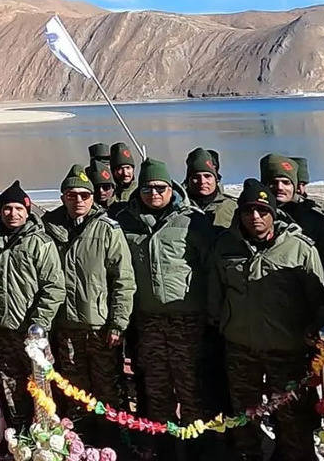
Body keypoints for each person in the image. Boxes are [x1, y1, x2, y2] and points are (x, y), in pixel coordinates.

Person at [208, 180, 324, 461]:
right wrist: (218, 326)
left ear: (273, 213)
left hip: (287, 349)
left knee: (292, 417)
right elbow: (216, 293)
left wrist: (314, 333)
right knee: (244, 414)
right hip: (241, 346)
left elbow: (318, 300)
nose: (255, 217)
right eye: (248, 210)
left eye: (262, 210)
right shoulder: (225, 246)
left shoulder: (299, 248)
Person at [113, 158, 212, 452]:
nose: (154, 194)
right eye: (147, 188)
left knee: (191, 387)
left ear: (171, 188)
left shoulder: (192, 220)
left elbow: (209, 268)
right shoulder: (125, 221)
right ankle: (166, 448)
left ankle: (197, 447)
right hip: (148, 320)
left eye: (160, 188)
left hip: (187, 319)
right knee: (157, 390)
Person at [41, 165, 134, 444]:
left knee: (108, 388)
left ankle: (116, 440)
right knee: (73, 389)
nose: (78, 200)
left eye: (84, 195)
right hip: (66, 327)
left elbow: (123, 280)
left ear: (93, 197)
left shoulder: (107, 230)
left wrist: (118, 323)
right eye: (72, 195)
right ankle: (80, 442)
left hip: (100, 327)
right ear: (62, 198)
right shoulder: (49, 229)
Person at [0, 181, 64, 435]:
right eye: (7, 208)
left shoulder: (40, 243)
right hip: (1, 330)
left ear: (27, 211)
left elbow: (54, 286)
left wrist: (38, 323)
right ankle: (16, 436)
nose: (13, 214)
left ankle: (44, 437)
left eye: (19, 208)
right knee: (9, 388)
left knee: (40, 386)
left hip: (31, 333)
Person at [261, 154, 324, 274]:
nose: (280, 187)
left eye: (285, 182)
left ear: (294, 186)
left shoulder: (313, 219)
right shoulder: (254, 215)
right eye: (273, 183)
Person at [185, 147, 237, 230]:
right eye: (196, 177)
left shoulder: (233, 208)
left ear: (216, 179)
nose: (202, 181)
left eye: (207, 176)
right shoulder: (177, 207)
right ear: (188, 180)